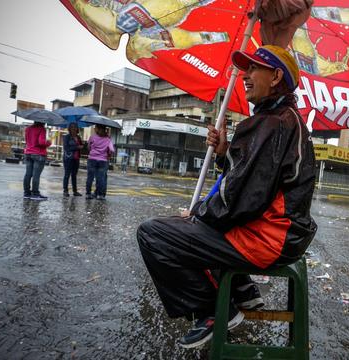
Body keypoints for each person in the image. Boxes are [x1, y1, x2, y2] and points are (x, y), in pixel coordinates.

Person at [136, 45, 317, 349]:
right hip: (281, 233)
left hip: (269, 238)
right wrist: (224, 153)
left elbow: (240, 200)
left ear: (275, 77)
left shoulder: (272, 124)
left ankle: (211, 312)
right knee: (197, 224)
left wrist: (198, 214)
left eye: (254, 69)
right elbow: (249, 180)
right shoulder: (280, 119)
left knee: (154, 234)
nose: (245, 76)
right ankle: (244, 291)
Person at [23, 121, 52, 201]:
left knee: (28, 174)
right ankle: (35, 193)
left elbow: (27, 141)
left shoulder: (28, 129)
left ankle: (26, 193)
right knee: (36, 175)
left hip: (28, 153)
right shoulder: (41, 129)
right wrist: (48, 143)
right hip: (38, 154)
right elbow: (41, 142)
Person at [86, 124, 115, 200]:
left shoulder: (92, 137)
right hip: (103, 160)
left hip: (92, 159)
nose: (95, 129)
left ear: (98, 129)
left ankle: (88, 193)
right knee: (100, 178)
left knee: (90, 177)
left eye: (96, 128)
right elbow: (112, 150)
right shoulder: (108, 139)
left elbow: (88, 147)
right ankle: (100, 195)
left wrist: (93, 151)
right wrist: (108, 153)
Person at [62, 123, 84, 197]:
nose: (74, 129)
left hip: (76, 158)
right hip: (68, 158)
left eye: (75, 128)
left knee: (74, 175)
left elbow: (81, 146)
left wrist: (83, 146)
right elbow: (66, 148)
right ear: (69, 129)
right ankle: (65, 191)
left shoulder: (78, 137)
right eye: (72, 128)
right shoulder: (67, 137)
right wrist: (77, 147)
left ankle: (75, 191)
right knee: (67, 175)